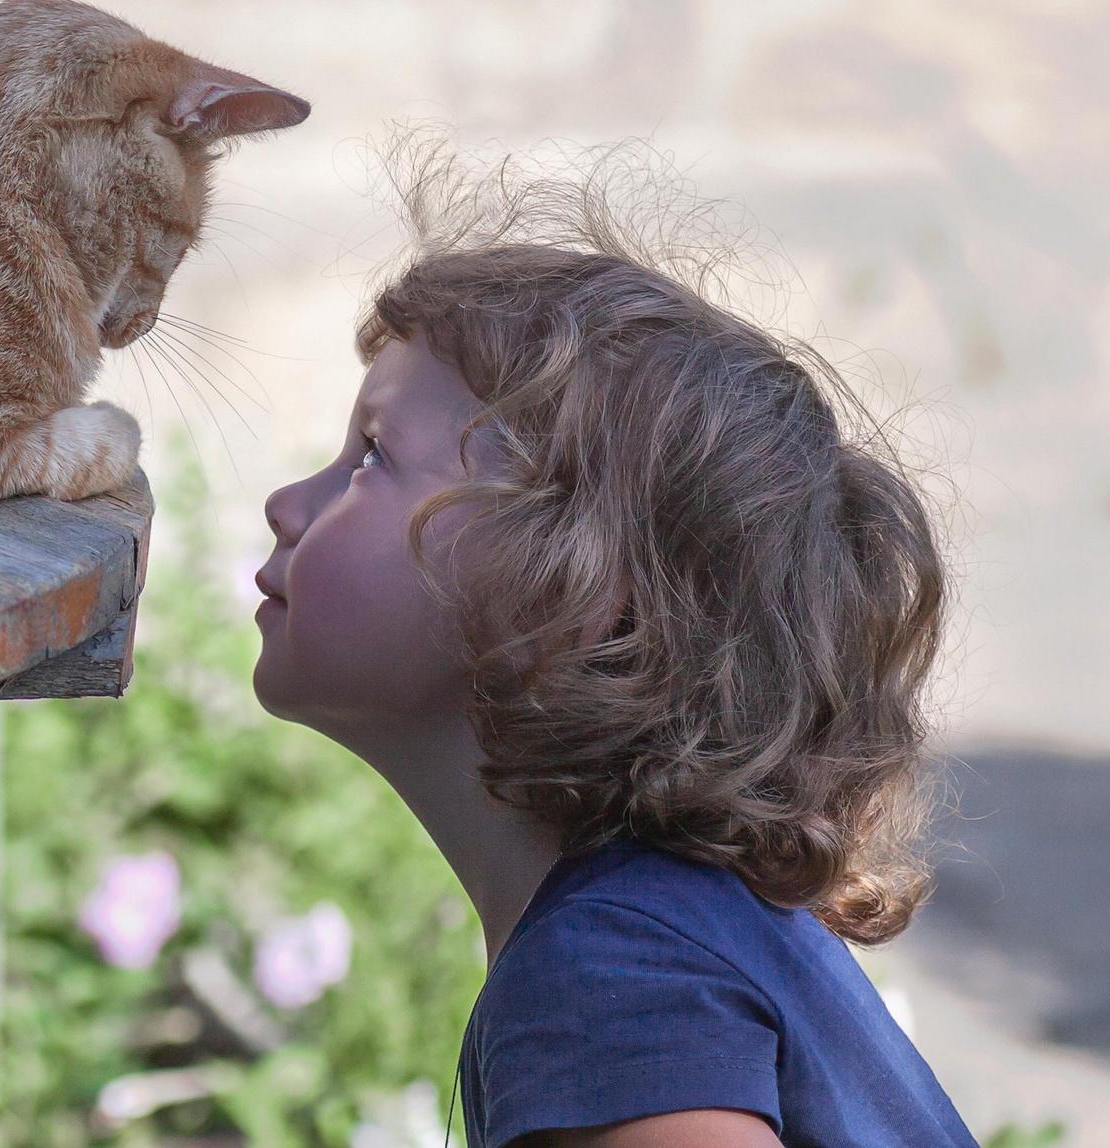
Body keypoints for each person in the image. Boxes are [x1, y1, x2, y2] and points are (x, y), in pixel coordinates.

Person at [249, 152, 974, 1148]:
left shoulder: (609, 978)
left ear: (565, 589)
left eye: (372, 455)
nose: (286, 504)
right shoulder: (669, 930)